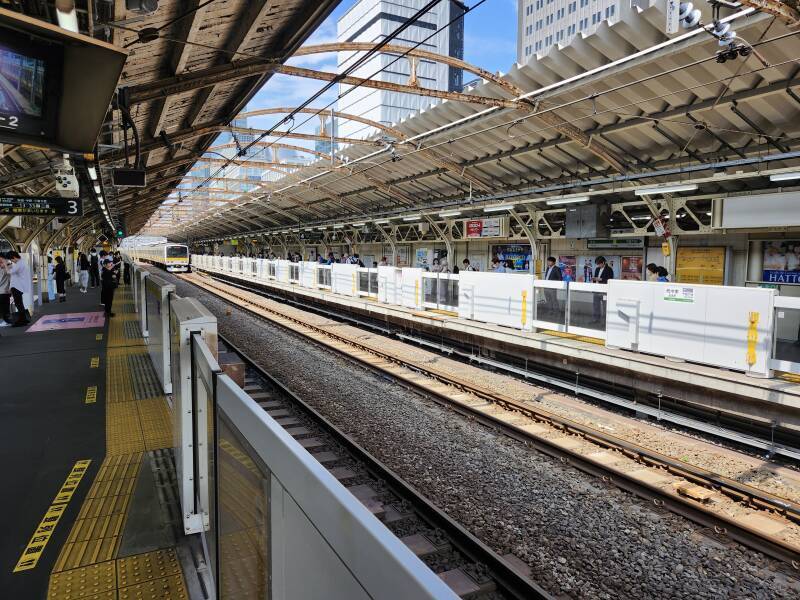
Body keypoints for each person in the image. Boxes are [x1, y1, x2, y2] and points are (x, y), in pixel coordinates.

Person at [7, 251, 32, 326]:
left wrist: (5, 265)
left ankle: (23, 320)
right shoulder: (21, 263)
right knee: (19, 304)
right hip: (18, 287)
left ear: (14, 257)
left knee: (19, 304)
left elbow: (9, 272)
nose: (11, 261)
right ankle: (23, 319)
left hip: (17, 287)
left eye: (11, 259)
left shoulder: (19, 264)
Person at [591, 256, 614, 323]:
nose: (598, 265)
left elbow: (610, 280)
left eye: (599, 264)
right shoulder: (597, 269)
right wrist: (594, 279)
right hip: (597, 290)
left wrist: (601, 279)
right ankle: (596, 319)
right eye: (597, 264)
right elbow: (596, 278)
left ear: (603, 262)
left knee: (605, 307)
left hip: (604, 291)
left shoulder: (609, 269)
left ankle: (605, 322)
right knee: (595, 306)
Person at [0, 254, 11, 327]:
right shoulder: (8, 265)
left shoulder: (6, 267)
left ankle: (5, 320)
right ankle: (7, 320)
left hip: (2, 291)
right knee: (6, 307)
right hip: (6, 290)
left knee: (3, 307)